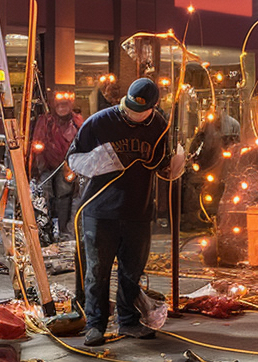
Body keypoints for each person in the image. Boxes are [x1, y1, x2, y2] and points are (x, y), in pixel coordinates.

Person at [66, 78, 186, 347]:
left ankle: (128, 321)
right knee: (97, 272)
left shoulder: (159, 125)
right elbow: (73, 159)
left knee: (132, 271)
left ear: (153, 108)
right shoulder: (99, 122)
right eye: (130, 108)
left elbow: (161, 163)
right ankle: (95, 325)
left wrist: (174, 163)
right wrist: (100, 161)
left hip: (138, 209)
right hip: (99, 209)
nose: (133, 114)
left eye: (140, 111)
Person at [32, 91, 85, 238]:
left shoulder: (77, 121)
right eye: (59, 105)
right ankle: (44, 229)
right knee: (44, 196)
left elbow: (83, 140)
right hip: (46, 164)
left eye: (65, 105)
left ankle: (63, 231)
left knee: (64, 197)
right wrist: (39, 162)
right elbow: (37, 140)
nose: (62, 108)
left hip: (66, 166)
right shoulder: (45, 121)